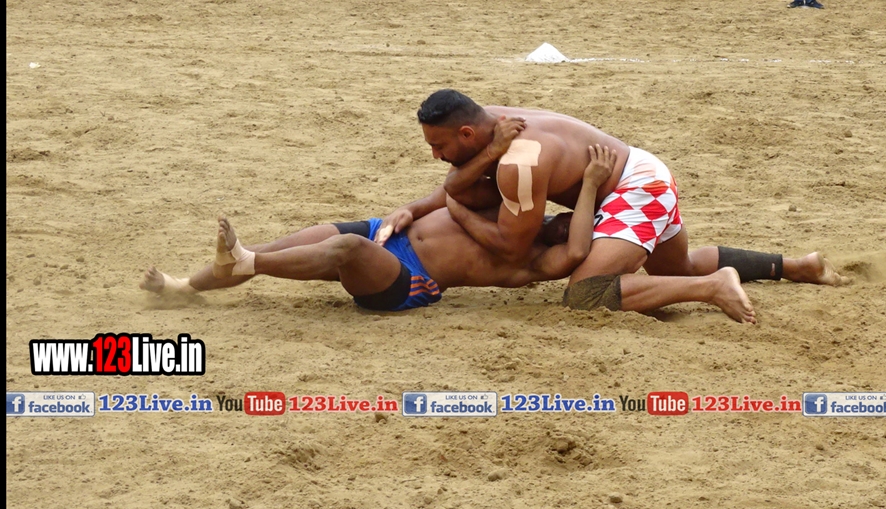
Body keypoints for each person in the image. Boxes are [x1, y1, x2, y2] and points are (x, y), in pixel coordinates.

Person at [378, 90, 847, 323]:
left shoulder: (519, 160)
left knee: (586, 294)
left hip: (633, 190)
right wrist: (415, 208)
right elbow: (464, 177)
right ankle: (799, 266)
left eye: (439, 146)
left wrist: (457, 213)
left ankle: (712, 286)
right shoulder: (495, 120)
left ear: (467, 134)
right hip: (641, 172)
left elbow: (511, 247)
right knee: (676, 268)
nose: (435, 156)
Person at [141, 144, 635, 312]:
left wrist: (592, 185)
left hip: (409, 280)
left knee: (345, 248)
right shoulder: (515, 205)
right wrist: (411, 207)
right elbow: (453, 184)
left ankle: (246, 261)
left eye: (576, 223)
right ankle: (185, 287)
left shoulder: (536, 260)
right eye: (566, 215)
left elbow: (577, 253)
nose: (564, 224)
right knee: (286, 245)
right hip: (387, 231)